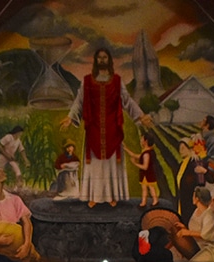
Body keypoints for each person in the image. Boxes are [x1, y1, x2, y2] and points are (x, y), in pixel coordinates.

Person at [61, 47, 152, 207]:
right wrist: (70, 117)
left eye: (105, 57)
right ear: (96, 61)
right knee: (95, 166)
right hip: (94, 129)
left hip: (112, 130)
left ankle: (112, 196)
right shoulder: (87, 81)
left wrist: (140, 115)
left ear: (109, 61)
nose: (102, 60)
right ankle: (93, 196)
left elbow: (127, 100)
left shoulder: (117, 81)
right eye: (99, 57)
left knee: (111, 166)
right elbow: (79, 102)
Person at [177, 187, 214, 262]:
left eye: (193, 196)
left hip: (211, 250)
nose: (192, 198)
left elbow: (205, 235)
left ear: (197, 199)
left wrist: (187, 232)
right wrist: (184, 228)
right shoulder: (196, 211)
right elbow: (196, 230)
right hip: (198, 248)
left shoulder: (209, 215)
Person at [124, 133, 160, 207]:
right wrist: (125, 148)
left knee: (150, 188)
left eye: (142, 139)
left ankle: (154, 201)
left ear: (145, 141)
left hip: (147, 175)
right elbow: (135, 155)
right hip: (146, 175)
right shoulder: (147, 152)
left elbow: (145, 167)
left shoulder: (146, 154)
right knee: (145, 188)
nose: (140, 141)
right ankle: (144, 202)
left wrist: (134, 163)